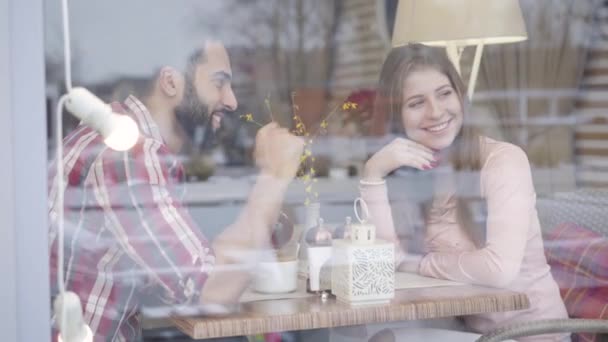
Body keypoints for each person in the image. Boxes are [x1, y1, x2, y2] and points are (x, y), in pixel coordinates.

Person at [47, 38, 304, 341]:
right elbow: (209, 292)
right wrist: (273, 176)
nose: (232, 101)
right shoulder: (127, 154)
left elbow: (178, 271)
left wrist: (267, 218)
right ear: (170, 82)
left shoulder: (119, 133)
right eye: (219, 83)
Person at [358, 44, 569, 342]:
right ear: (397, 116)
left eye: (444, 93)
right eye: (417, 103)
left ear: (460, 95)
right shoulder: (414, 173)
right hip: (472, 333)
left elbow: (499, 270)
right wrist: (374, 173)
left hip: (533, 335)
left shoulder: (502, 161)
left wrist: (417, 263)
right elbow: (385, 261)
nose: (436, 112)